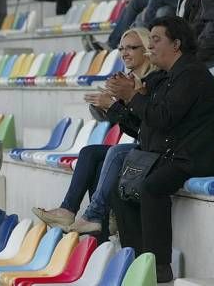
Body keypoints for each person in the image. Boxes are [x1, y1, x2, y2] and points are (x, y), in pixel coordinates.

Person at [108, 16, 214, 283]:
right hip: (171, 155)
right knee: (121, 187)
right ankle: (137, 258)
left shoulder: (192, 74)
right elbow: (147, 125)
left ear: (177, 44)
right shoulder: (167, 77)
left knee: (151, 186)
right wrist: (119, 105)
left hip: (193, 157)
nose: (150, 47)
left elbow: (164, 118)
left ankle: (159, 265)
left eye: (156, 40)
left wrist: (132, 96)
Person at [32, 28, 156, 237]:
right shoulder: (129, 78)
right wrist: (105, 107)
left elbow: (146, 127)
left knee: (111, 155)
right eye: (121, 49)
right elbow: (130, 125)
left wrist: (117, 106)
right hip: (143, 141)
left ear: (146, 50)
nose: (124, 53)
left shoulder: (153, 81)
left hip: (152, 147)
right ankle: (69, 210)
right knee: (90, 153)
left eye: (131, 48)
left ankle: (97, 216)